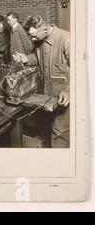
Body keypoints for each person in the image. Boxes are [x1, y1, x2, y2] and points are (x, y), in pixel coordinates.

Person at [13, 15, 70, 148]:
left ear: (44, 28)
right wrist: (26, 58)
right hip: (47, 94)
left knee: (60, 132)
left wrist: (68, 91)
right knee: (46, 129)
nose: (32, 39)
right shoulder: (40, 39)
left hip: (63, 95)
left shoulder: (66, 39)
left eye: (34, 36)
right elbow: (37, 57)